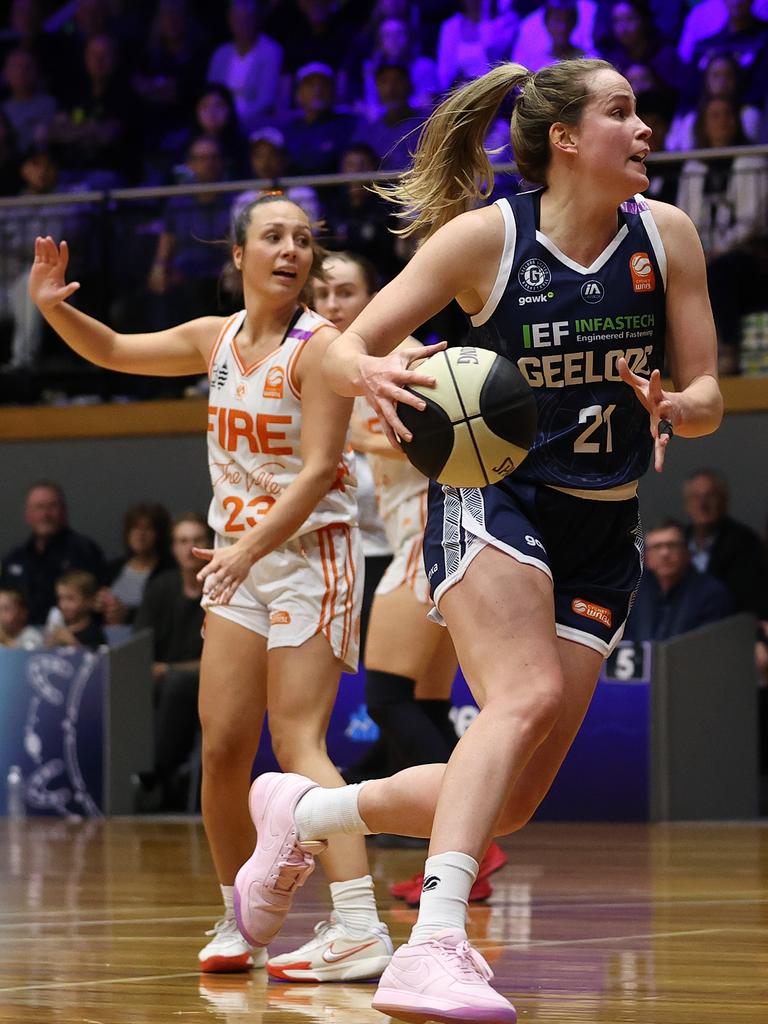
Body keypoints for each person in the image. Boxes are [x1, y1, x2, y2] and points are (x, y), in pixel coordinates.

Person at [232, 58, 723, 1023]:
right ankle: (434, 945)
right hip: (493, 496)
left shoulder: (667, 237)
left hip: (603, 524)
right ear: (569, 141)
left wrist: (677, 401)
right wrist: (372, 371)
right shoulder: (485, 240)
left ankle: (306, 812)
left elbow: (708, 398)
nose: (645, 128)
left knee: (510, 797)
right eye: (622, 112)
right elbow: (341, 346)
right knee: (526, 692)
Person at [27, 193, 391, 982]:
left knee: (298, 742)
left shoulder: (322, 348)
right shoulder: (213, 337)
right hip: (240, 563)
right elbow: (118, 349)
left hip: (309, 555)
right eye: (273, 237)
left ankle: (359, 922)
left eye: (303, 239)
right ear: (239, 257)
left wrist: (246, 547)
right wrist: (55, 311)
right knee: (223, 747)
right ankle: (240, 915)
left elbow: (323, 469)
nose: (291, 250)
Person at [313, 250, 508, 901]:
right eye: (325, 293)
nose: (334, 304)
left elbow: (450, 437)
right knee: (421, 703)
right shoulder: (354, 367)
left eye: (346, 291)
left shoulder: (409, 357)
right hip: (425, 540)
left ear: (374, 296)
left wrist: (346, 445)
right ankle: (460, 863)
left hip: (434, 538)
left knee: (388, 699)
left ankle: (473, 848)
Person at [133, 512, 209, 812]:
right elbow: (140, 643)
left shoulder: (225, 586)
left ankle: (156, 773)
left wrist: (171, 670)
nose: (190, 547)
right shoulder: (160, 587)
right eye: (182, 541)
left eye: (197, 540)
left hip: (209, 681)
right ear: (173, 548)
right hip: (157, 683)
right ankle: (143, 776)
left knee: (177, 683)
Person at [1, 481, 106, 625]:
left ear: (64, 511)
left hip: (73, 637)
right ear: (28, 515)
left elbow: (100, 599)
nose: (45, 514)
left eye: (52, 506)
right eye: (39, 507)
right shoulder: (15, 557)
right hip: (21, 637)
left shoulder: (84, 551)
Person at [623, 519, 734, 640]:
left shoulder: (712, 594)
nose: (665, 553)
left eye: (672, 545)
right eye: (657, 547)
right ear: (646, 557)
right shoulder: (633, 592)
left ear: (687, 552)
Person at [683, 468, 768, 617]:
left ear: (724, 500)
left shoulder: (744, 543)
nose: (702, 504)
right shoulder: (678, 540)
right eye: (696, 497)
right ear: (687, 504)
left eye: (710, 496)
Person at [99, 502, 174, 626]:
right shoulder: (112, 568)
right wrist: (96, 605)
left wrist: (128, 614)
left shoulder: (169, 571)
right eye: (135, 528)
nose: (140, 535)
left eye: (148, 528)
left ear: (159, 534)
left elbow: (167, 613)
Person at [46, 569, 107, 650]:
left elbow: (97, 660)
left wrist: (72, 643)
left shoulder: (95, 634)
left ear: (89, 601)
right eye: (60, 598)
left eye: (70, 599)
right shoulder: (58, 629)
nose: (63, 605)